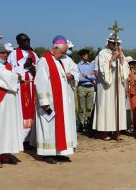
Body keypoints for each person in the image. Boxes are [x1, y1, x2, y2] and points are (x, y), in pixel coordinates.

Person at [34, 36, 77, 164]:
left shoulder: (59, 61)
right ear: (56, 49)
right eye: (63, 52)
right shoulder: (44, 61)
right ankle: (48, 154)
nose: (64, 54)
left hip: (60, 102)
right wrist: (44, 103)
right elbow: (40, 82)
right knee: (49, 128)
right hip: (49, 102)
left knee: (59, 128)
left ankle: (59, 152)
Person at [92, 34, 129, 140]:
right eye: (114, 43)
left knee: (117, 106)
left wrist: (121, 58)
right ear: (108, 43)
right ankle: (105, 132)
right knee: (106, 106)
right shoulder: (102, 53)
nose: (116, 45)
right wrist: (113, 58)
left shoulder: (121, 53)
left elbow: (124, 69)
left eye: (118, 43)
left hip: (118, 84)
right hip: (106, 85)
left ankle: (117, 130)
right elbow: (103, 69)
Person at [7, 33, 39, 144]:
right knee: (22, 111)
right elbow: (10, 70)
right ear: (18, 42)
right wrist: (25, 66)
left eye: (28, 39)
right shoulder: (13, 54)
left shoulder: (33, 54)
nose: (27, 42)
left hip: (33, 85)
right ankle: (22, 139)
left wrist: (33, 68)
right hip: (21, 86)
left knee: (33, 110)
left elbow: (40, 68)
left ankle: (33, 138)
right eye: (24, 40)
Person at [60, 41, 79, 148]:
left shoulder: (69, 59)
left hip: (68, 90)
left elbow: (75, 70)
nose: (69, 50)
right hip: (57, 92)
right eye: (68, 48)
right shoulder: (51, 59)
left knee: (70, 113)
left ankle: (70, 139)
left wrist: (71, 75)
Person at [77, 48, 97, 132]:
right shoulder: (77, 66)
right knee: (81, 108)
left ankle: (88, 123)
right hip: (81, 87)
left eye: (87, 54)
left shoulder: (91, 65)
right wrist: (90, 77)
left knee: (89, 107)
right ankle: (81, 124)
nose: (87, 56)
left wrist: (86, 76)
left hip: (90, 88)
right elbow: (79, 78)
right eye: (85, 54)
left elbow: (94, 76)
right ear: (81, 56)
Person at [126, 56, 136, 132]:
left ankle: (135, 125)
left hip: (134, 92)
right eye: (129, 63)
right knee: (127, 109)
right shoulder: (123, 71)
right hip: (126, 91)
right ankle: (127, 125)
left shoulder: (135, 71)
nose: (131, 64)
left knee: (135, 109)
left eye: (132, 63)